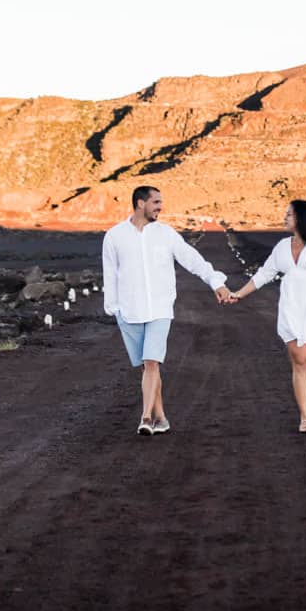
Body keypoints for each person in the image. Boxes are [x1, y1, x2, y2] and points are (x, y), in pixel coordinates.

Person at [102, 185, 233, 436]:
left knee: (152, 362)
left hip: (160, 308)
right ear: (140, 203)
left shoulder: (166, 234)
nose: (160, 207)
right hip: (129, 310)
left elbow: (193, 260)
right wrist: (114, 309)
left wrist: (217, 282)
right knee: (147, 368)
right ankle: (162, 417)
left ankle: (146, 418)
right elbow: (110, 275)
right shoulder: (114, 236)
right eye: (156, 202)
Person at [226, 199, 306, 433]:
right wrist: (239, 294)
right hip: (291, 309)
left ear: (302, 218)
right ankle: (305, 417)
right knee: (300, 362)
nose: (284, 217)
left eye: (289, 214)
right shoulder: (281, 247)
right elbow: (264, 274)